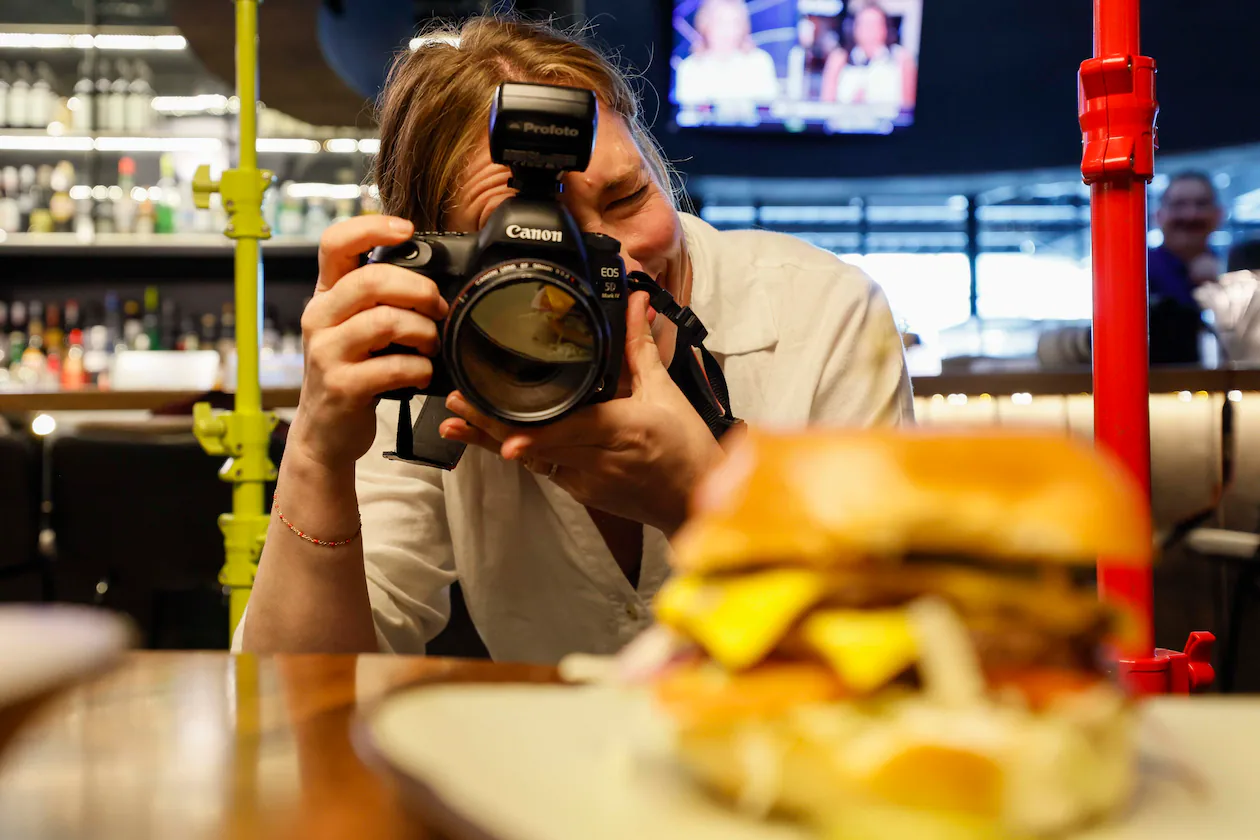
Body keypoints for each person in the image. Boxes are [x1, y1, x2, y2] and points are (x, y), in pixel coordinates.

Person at [236, 16, 914, 662]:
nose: (613, 260)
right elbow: (300, 697)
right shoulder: (427, 354)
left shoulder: (821, 316)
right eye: (542, 239)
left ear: (657, 166)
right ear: (449, 274)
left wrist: (705, 502)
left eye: (626, 199)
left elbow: (906, 665)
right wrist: (316, 455)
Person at [1148, 171, 1224, 365]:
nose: (1190, 215)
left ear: (1218, 215)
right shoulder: (1138, 270)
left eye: (1201, 204)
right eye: (1179, 205)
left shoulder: (1235, 272)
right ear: (1159, 216)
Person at [673, 0, 780, 107]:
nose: (728, 31)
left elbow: (769, 111)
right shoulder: (690, 68)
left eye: (735, 23)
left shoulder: (760, 62)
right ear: (705, 25)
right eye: (720, 22)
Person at [820, 1, 917, 110]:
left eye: (874, 24)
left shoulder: (901, 58)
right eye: (864, 24)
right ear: (854, 28)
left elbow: (909, 108)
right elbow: (826, 106)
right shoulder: (839, 58)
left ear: (885, 28)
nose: (869, 30)